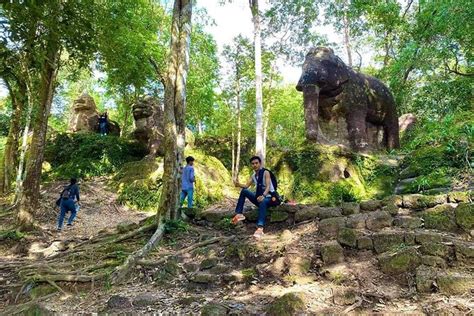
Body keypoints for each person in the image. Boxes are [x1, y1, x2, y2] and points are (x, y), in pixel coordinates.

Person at [232, 156, 275, 238]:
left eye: (256, 163)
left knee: (262, 201)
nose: (254, 165)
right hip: (260, 198)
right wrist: (238, 184)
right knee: (244, 191)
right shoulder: (254, 176)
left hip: (270, 198)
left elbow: (268, 186)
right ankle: (239, 213)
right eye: (253, 164)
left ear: (260, 163)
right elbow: (246, 186)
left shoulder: (266, 172)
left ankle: (260, 228)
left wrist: (263, 196)